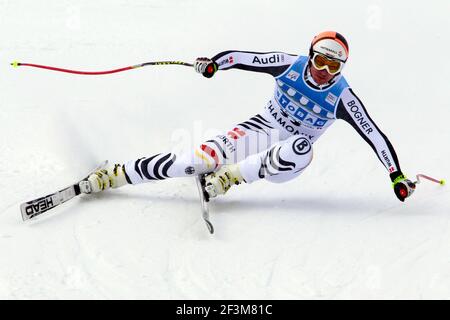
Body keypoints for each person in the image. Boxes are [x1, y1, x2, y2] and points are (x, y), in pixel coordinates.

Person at [84, 31, 415, 202]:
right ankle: (115, 175)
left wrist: (395, 176)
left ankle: (229, 178)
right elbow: (243, 57)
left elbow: (374, 135)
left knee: (301, 146)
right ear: (310, 54)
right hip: (261, 129)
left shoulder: (341, 95)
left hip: (287, 160)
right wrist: (214, 64)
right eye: (320, 61)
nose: (324, 71)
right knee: (196, 160)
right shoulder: (290, 64)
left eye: (334, 66)